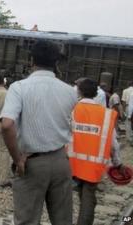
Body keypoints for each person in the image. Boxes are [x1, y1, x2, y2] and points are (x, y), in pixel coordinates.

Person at [0, 40, 77, 225]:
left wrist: (17, 159)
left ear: (32, 60)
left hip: (31, 163)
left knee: (27, 220)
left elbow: (7, 124)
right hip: (61, 161)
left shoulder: (19, 87)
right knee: (62, 219)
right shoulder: (70, 91)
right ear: (56, 62)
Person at [70, 78, 124, 225]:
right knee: (88, 199)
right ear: (96, 94)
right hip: (93, 166)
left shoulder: (71, 109)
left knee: (63, 197)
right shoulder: (106, 114)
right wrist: (117, 163)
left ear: (79, 91)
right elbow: (113, 144)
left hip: (70, 162)